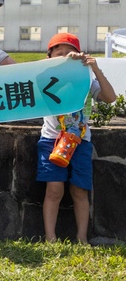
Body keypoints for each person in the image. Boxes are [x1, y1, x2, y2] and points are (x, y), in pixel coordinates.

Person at [36, 33, 116, 243]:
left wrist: (96, 69)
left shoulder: (86, 80)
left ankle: (82, 238)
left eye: (69, 54)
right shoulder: (45, 77)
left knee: (79, 190)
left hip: (80, 141)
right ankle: (50, 237)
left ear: (80, 57)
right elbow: (28, 82)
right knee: (54, 189)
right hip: (51, 140)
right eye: (58, 53)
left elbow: (110, 98)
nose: (64, 57)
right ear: (50, 56)